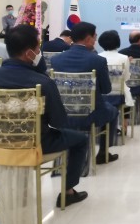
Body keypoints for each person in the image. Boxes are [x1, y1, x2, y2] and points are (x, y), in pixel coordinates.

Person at [0, 25, 89, 206]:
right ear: (29, 53)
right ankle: (68, 191)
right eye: (37, 49)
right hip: (35, 143)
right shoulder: (42, 82)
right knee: (81, 140)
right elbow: (58, 122)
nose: (39, 53)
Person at [50, 22, 120, 164]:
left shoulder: (56, 60)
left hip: (63, 113)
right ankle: (103, 152)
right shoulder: (98, 60)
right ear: (88, 38)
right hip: (90, 113)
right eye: (95, 37)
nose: (95, 40)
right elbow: (106, 90)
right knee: (113, 111)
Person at [98, 30, 134, 110]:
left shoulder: (97, 57)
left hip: (101, 95)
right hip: (118, 94)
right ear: (118, 42)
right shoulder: (124, 58)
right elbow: (127, 78)